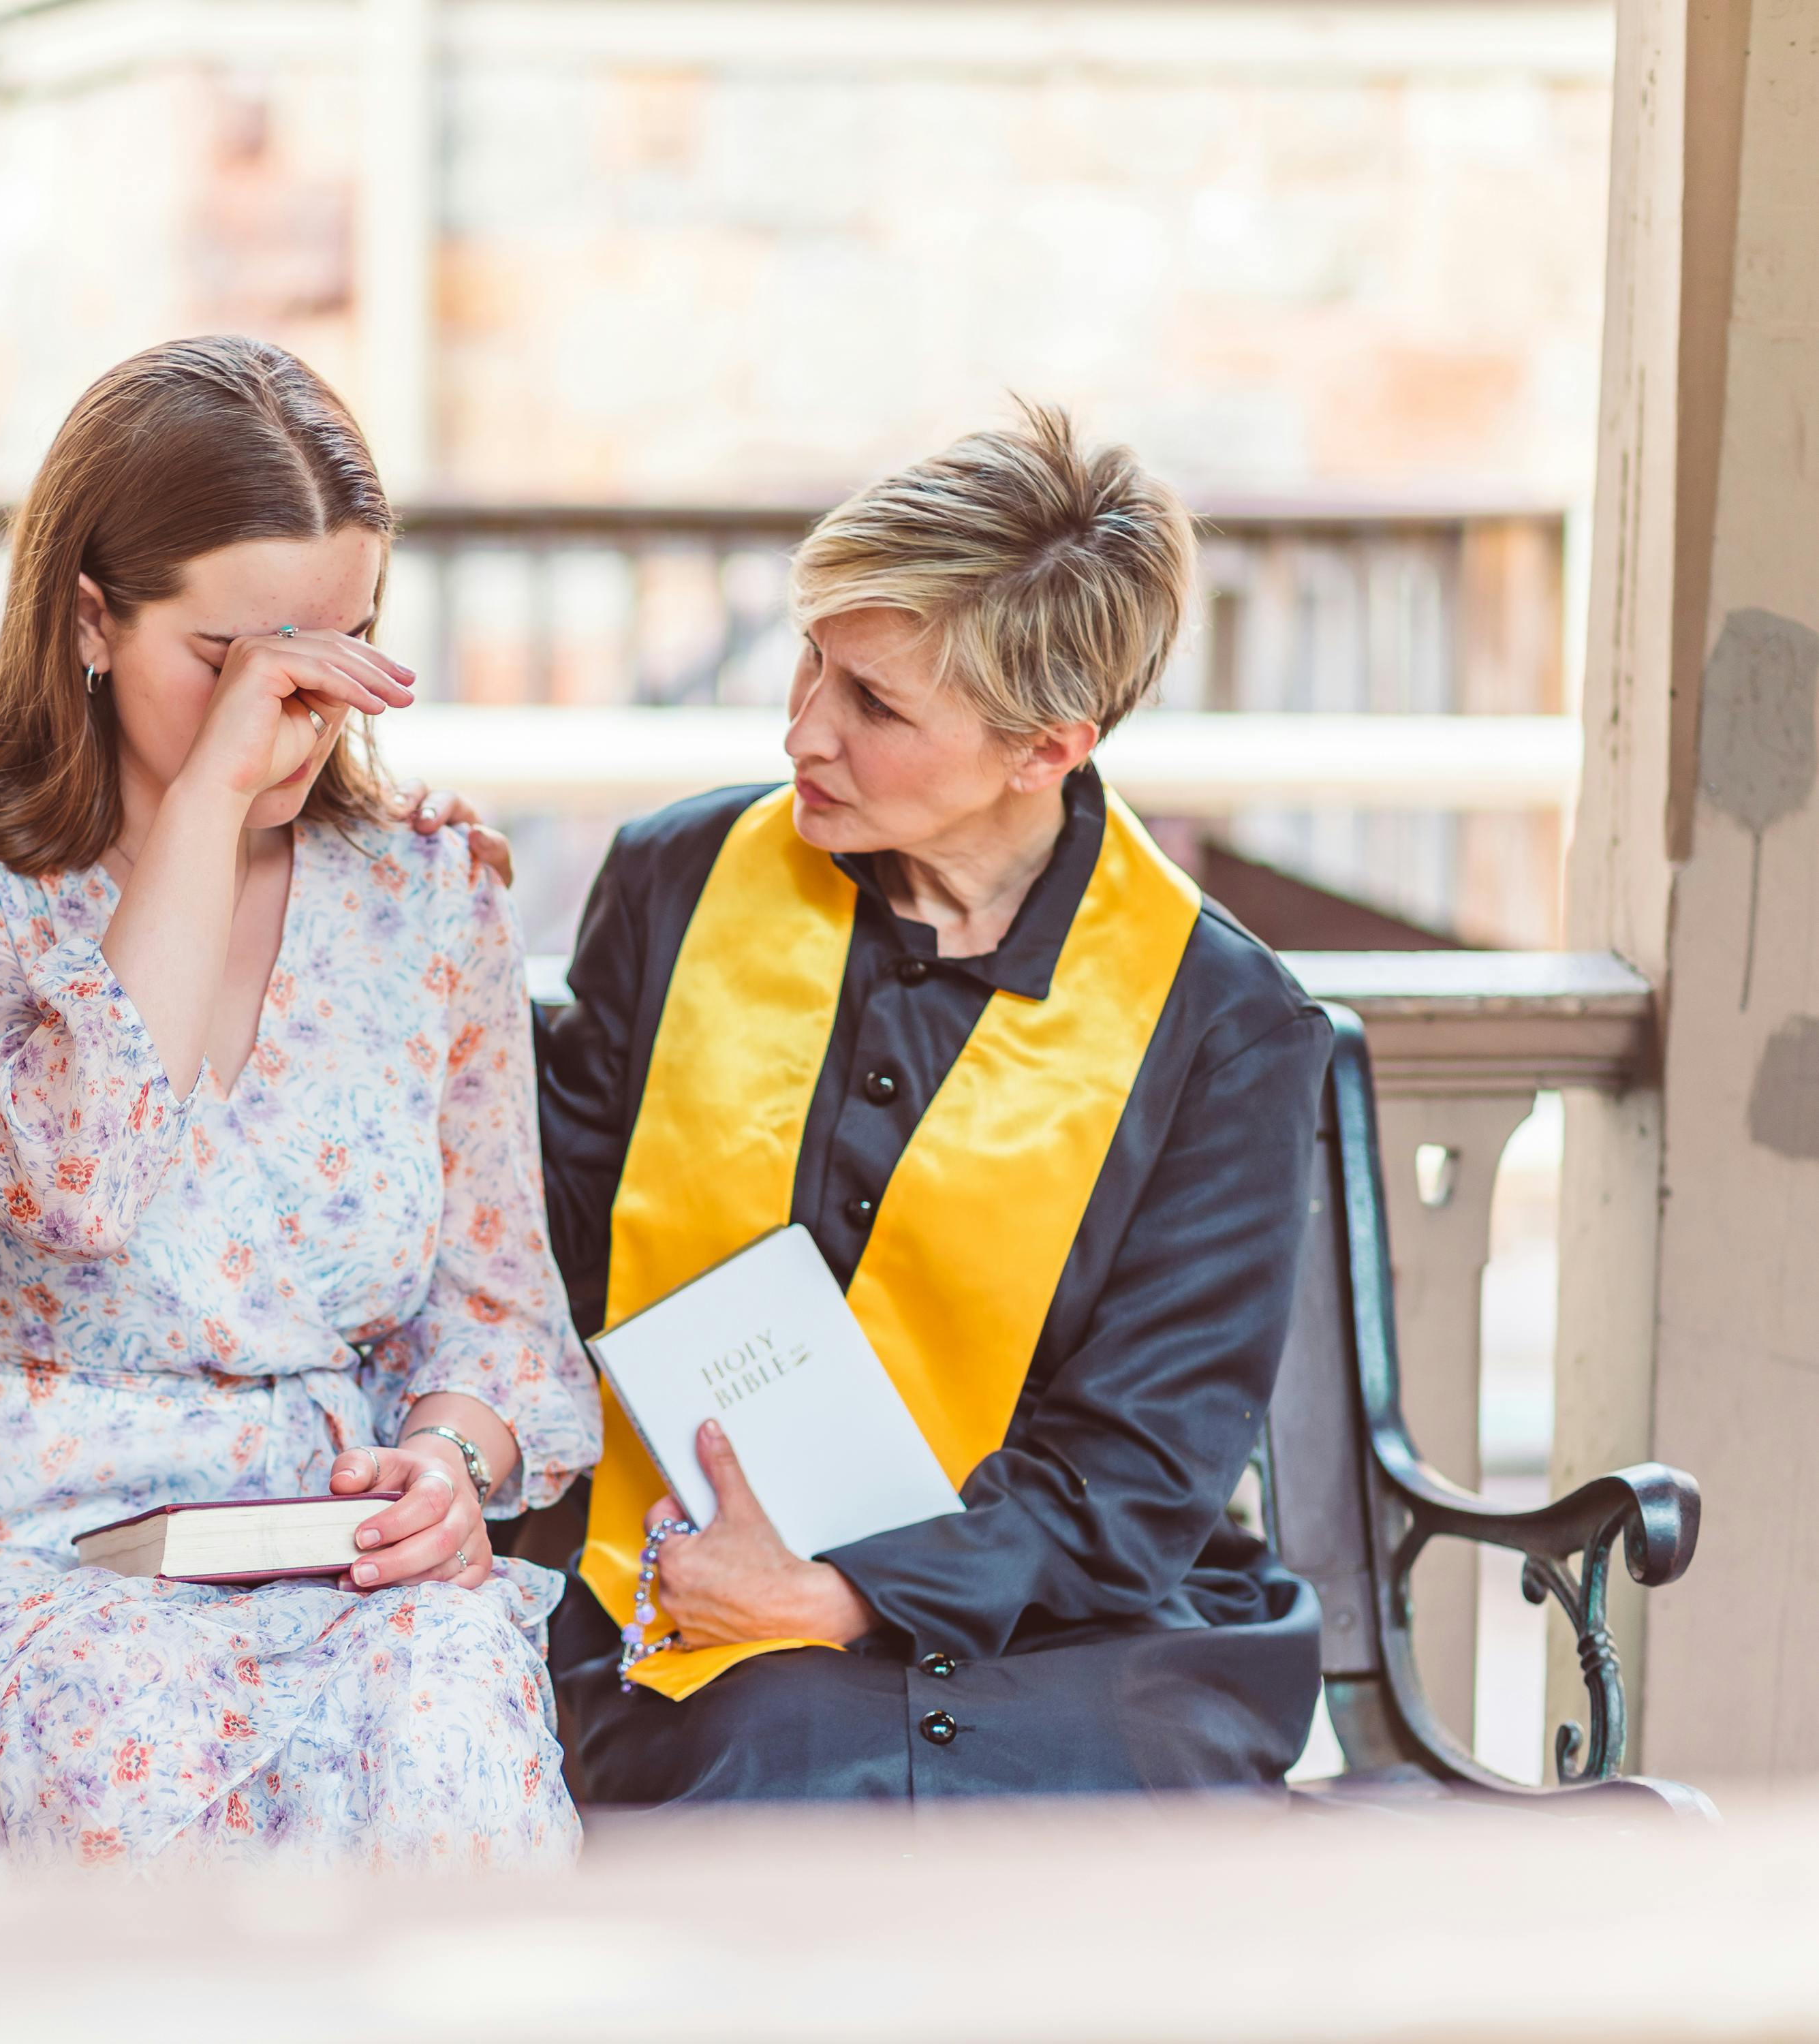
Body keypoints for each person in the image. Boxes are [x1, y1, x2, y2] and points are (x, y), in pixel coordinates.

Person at [0, 335, 600, 1872]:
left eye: (343, 652)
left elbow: (493, 1318)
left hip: (319, 1560)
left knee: (445, 1709)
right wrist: (202, 811)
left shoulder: (424, 897)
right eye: (235, 661)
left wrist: (451, 1468)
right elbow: (80, 1178)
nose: (299, 712)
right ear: (89, 618)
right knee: (132, 1718)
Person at [533, 403, 1330, 1801]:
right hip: (688, 1573)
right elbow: (549, 1258)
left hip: (1079, 1628)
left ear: (1046, 748)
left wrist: (842, 1597)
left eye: (874, 704)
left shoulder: (1222, 1025)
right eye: (810, 664)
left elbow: (1139, 1465)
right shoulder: (675, 886)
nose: (801, 732)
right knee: (757, 1763)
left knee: (1069, 1816)